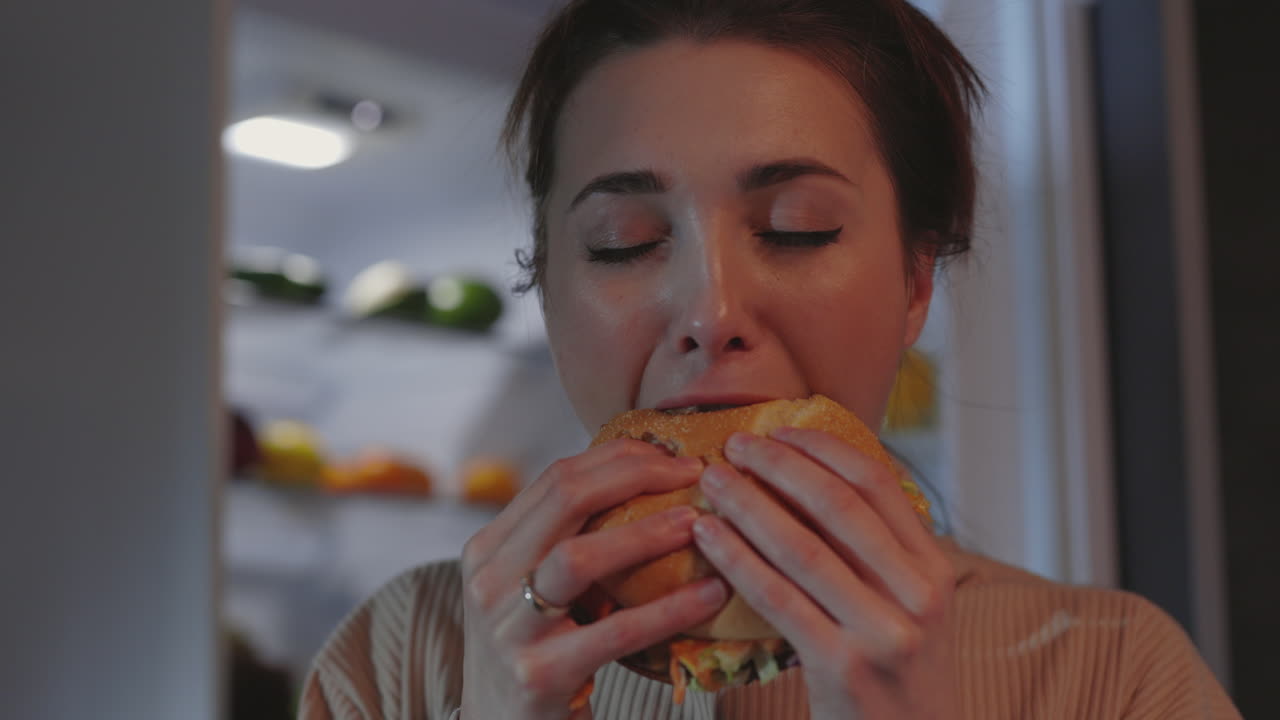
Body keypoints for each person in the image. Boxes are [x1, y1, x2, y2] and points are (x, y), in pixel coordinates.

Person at [298, 1, 1241, 718]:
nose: (710, 314)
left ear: (916, 283)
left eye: (798, 230)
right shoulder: (403, 662)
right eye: (624, 243)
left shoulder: (1111, 675)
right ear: (547, 291)